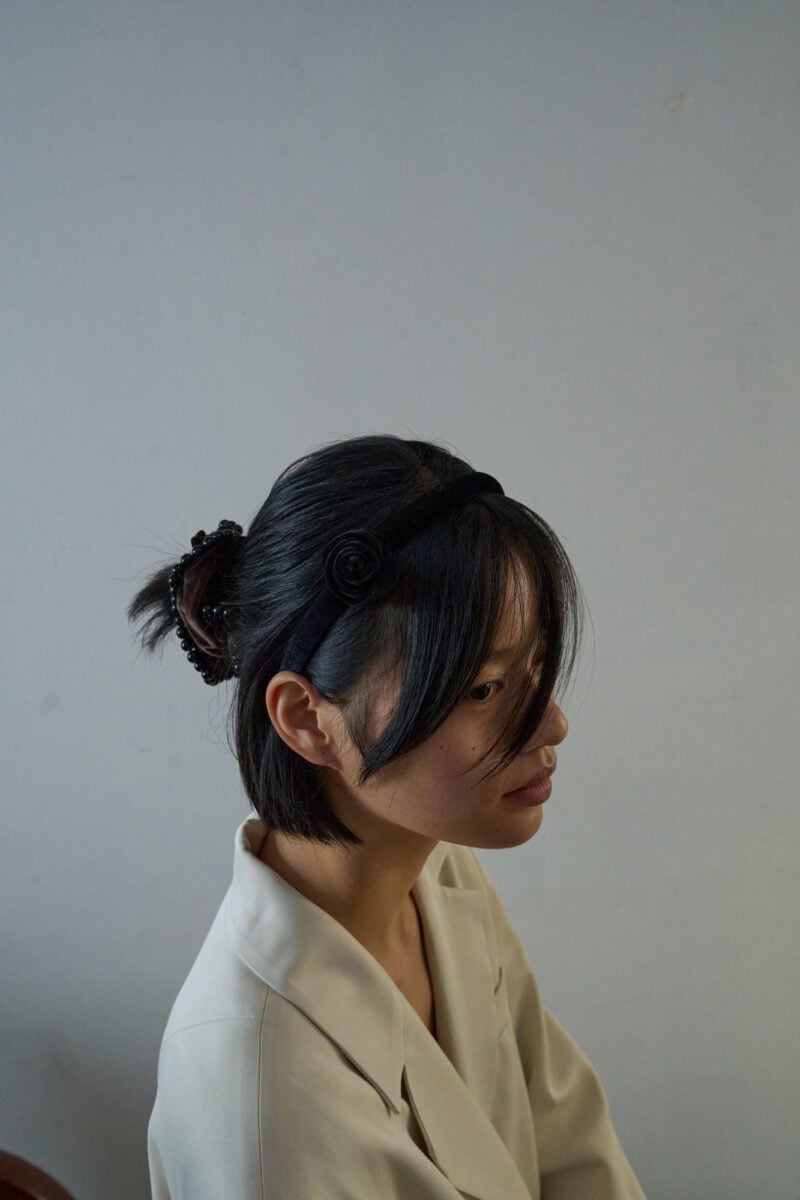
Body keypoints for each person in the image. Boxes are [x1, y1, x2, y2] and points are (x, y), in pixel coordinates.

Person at [128, 433, 647, 1199]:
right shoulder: (259, 1097)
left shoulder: (439, 871)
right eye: (484, 689)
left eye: (535, 667)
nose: (552, 723)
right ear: (307, 719)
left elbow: (571, 1144)